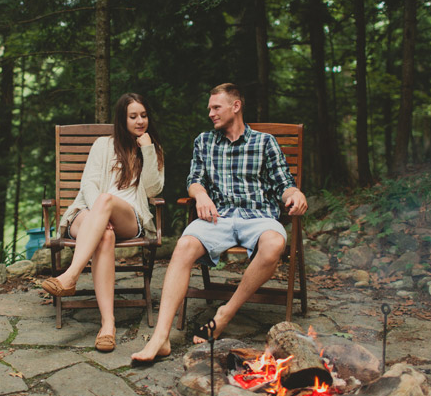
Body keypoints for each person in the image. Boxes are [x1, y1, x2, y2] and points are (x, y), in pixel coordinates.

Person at [131, 83, 307, 363]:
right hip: (218, 216)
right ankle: (160, 337)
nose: (210, 113)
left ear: (235, 106)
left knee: (274, 242)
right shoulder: (204, 141)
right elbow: (194, 180)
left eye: (216, 108)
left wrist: (294, 193)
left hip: (258, 216)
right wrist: (200, 195)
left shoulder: (264, 142)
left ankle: (225, 313)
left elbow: (283, 184)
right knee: (184, 245)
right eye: (209, 108)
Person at [41, 93, 164, 352]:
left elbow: (153, 190)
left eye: (143, 115)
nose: (140, 121)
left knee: (107, 201)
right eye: (133, 116)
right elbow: (88, 185)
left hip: (129, 217)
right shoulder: (103, 145)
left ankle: (71, 275)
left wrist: (148, 149)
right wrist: (101, 212)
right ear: (122, 119)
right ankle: (108, 325)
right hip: (89, 212)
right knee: (105, 234)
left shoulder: (152, 148)